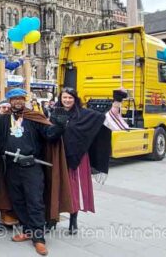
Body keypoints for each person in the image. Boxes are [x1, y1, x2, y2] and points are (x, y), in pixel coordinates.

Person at [0, 88, 72, 256]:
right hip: (11, 167)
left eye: (20, 98)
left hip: (31, 167)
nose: (17, 101)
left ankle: (39, 239)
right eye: (14, 99)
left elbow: (49, 135)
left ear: (24, 100)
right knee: (18, 200)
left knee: (35, 202)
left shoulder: (34, 118)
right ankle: (27, 230)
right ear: (9, 101)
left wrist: (60, 126)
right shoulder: (3, 120)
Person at [57, 88, 129, 234]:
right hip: (57, 156)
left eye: (70, 97)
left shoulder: (85, 114)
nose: (67, 100)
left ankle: (73, 220)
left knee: (74, 190)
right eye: (64, 97)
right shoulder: (55, 112)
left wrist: (117, 101)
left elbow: (107, 119)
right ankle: (52, 219)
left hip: (77, 158)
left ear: (75, 99)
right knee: (56, 188)